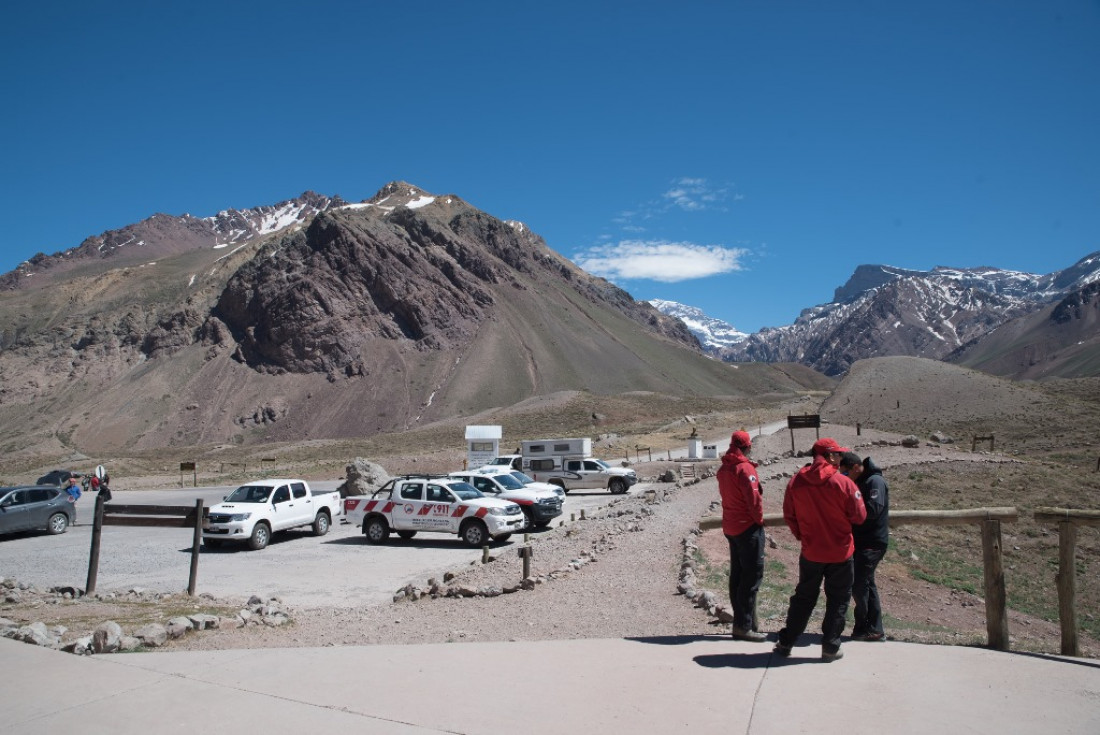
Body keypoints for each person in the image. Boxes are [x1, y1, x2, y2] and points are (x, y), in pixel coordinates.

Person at [774, 437, 867, 662]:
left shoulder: (796, 482)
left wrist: (802, 536)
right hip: (840, 553)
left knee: (804, 597)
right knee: (838, 600)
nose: (841, 458)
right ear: (830, 456)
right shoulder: (844, 483)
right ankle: (831, 646)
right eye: (838, 454)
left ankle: (786, 642)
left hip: (811, 552)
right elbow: (860, 516)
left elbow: (790, 515)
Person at [717, 430, 766, 641]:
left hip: (730, 526)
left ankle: (741, 622)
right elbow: (754, 501)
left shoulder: (724, 468)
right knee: (751, 577)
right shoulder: (745, 469)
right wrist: (759, 521)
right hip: (747, 528)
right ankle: (744, 626)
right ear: (747, 447)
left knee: (737, 575)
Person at [839, 452, 890, 642]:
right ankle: (867, 627)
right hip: (864, 541)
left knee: (861, 584)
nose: (845, 477)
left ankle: (872, 627)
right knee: (865, 583)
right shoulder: (864, 481)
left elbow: (872, 510)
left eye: (846, 473)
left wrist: (849, 514)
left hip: (872, 541)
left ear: (855, 468)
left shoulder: (874, 482)